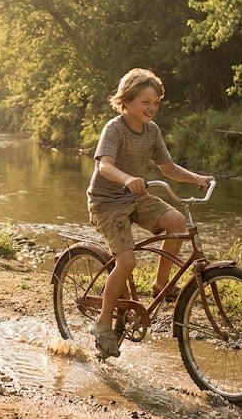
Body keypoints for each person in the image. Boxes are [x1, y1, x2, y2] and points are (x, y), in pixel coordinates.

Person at [86, 68, 214, 358]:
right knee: (127, 262)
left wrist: (197, 179)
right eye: (145, 102)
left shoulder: (152, 131)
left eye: (155, 103)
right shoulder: (114, 128)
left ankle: (160, 285)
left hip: (136, 197)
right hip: (107, 201)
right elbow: (104, 165)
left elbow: (167, 168)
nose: (152, 108)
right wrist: (126, 178)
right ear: (127, 101)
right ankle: (103, 323)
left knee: (177, 222)